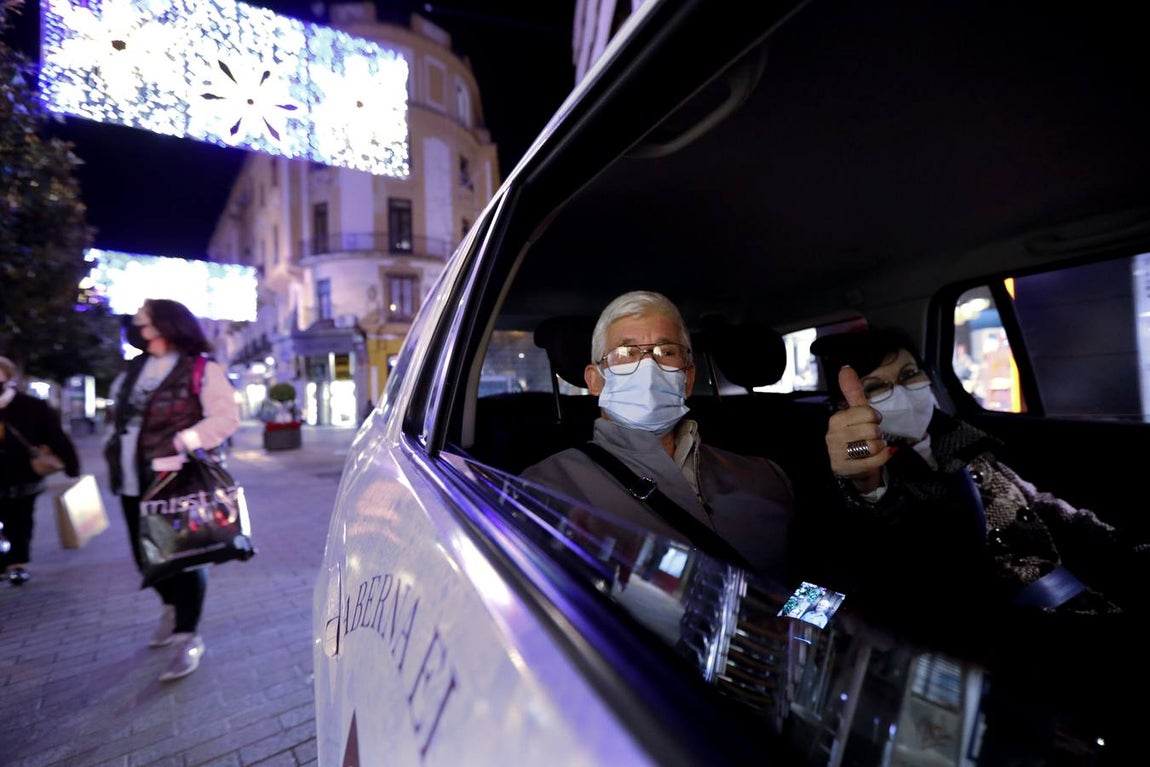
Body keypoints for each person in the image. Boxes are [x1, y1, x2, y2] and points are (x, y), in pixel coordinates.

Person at [808, 327, 1150, 746]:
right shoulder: (864, 474)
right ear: (846, 406)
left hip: (1072, 607)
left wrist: (1130, 550)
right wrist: (865, 479)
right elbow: (863, 540)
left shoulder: (962, 442)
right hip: (1001, 646)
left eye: (910, 374)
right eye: (876, 387)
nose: (901, 392)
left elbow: (1047, 509)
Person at [520, 290, 796, 578]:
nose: (649, 366)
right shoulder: (545, 489)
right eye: (626, 353)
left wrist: (792, 618)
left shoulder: (766, 478)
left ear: (687, 379)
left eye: (666, 352)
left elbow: (812, 583)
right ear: (595, 380)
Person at [105, 299, 240, 682]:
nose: (137, 329)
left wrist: (183, 440)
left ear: (167, 325)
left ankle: (187, 636)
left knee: (184, 555)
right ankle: (169, 606)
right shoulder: (134, 368)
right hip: (132, 476)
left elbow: (226, 418)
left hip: (175, 479)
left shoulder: (202, 369)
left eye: (144, 323)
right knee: (146, 555)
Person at [0, 356, 81, 585]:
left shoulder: (31, 406)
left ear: (8, 377)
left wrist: (72, 466)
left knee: (20, 520)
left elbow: (56, 437)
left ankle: (17, 563)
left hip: (22, 475)